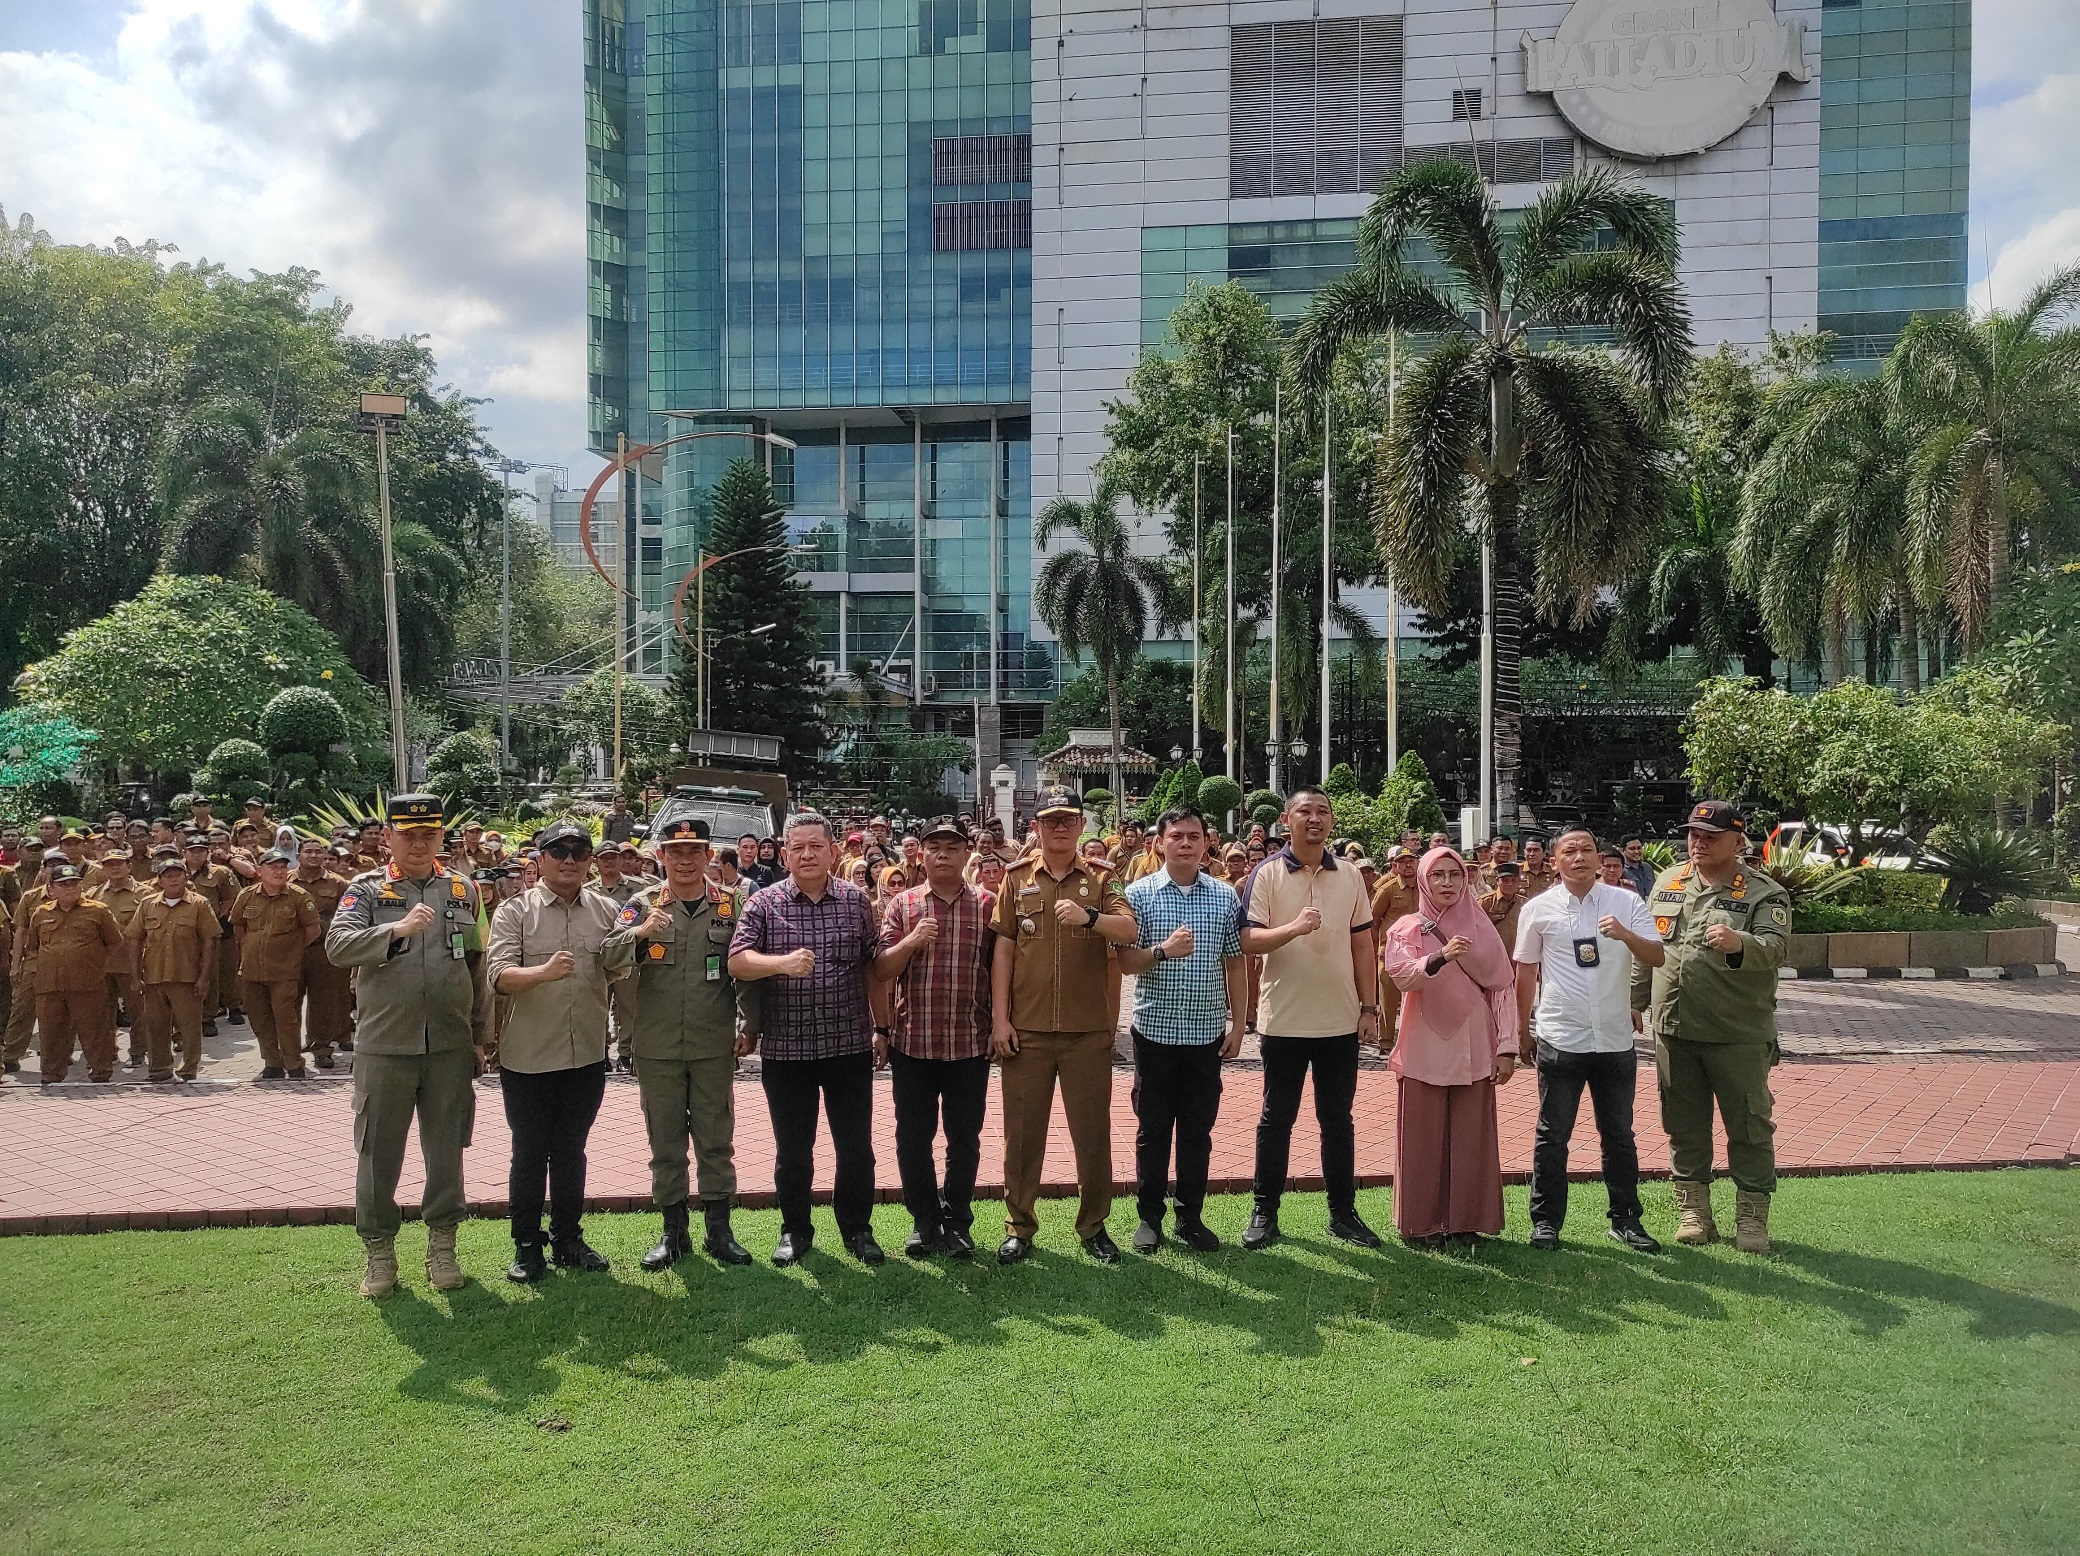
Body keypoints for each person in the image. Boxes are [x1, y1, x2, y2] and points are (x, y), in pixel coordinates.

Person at [325, 794, 492, 1299]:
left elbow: (478, 967)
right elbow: (337, 947)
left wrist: (481, 1037)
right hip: (386, 1045)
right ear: (389, 838)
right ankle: (380, 1251)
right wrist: (395, 930)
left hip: (448, 1044)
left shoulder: (464, 890)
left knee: (446, 1151)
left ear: (441, 837)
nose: (419, 844)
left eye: (429, 835)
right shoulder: (367, 889)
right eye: (408, 835)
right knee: (378, 1152)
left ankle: (443, 1245)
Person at [729, 812, 885, 1266]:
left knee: (855, 1147)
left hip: (847, 1043)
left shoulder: (857, 901)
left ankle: (857, 1229)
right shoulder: (764, 902)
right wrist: (779, 964)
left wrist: (883, 1027)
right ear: (784, 853)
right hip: (787, 1047)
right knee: (793, 1150)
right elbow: (738, 961)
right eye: (797, 847)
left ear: (833, 851)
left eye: (816, 846)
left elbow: (873, 967)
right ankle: (795, 1229)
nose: (807, 854)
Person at [1637, 800, 1792, 1254]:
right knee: (1683, 1124)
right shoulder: (1669, 882)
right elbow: (1647, 948)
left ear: (1737, 841)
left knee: (1749, 1126)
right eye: (1693, 834)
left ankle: (1751, 1217)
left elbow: (1776, 948)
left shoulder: (1763, 893)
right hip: (1674, 1029)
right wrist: (1633, 1001)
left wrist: (1738, 941)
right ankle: (1694, 1212)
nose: (1698, 842)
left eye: (1710, 836)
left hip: (1736, 1033)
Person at [990, 785, 1137, 1264]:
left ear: (1081, 826)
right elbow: (1004, 950)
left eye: (1067, 819)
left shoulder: (1101, 878)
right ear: (1035, 826)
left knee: (1092, 1135)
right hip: (1027, 1030)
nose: (1058, 827)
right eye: (1049, 819)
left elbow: (1129, 930)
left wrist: (1090, 916)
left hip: (1087, 1029)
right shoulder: (1015, 879)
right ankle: (1019, 1226)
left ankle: (1093, 1226)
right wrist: (999, 1020)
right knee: (1023, 1135)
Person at [603, 818, 754, 1270]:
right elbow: (607, 956)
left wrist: (749, 1025)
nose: (685, 860)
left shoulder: (732, 905)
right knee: (665, 1140)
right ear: (661, 857)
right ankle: (673, 1232)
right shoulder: (642, 903)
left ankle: (719, 1230)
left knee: (715, 1138)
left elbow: (744, 968)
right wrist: (640, 932)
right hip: (657, 1046)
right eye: (675, 852)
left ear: (708, 856)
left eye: (694, 851)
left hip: (713, 1044)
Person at [1238, 787, 1383, 1250]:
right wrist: (1294, 928)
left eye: (1322, 811)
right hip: (1284, 1019)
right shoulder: (1267, 873)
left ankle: (1343, 1213)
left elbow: (1364, 947)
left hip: (1340, 1021)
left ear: (1332, 821)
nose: (1314, 819)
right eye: (1305, 811)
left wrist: (1369, 1007)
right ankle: (1264, 1212)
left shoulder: (1352, 878)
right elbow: (1250, 941)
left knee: (1337, 1120)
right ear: (1287, 820)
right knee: (1276, 1119)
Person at [1512, 829, 1665, 1254]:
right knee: (1552, 1133)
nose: (1579, 857)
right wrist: (1521, 1030)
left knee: (1618, 1133)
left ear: (1600, 859)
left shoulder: (1626, 902)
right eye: (1569, 851)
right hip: (1562, 1036)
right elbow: (1525, 973)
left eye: (1587, 850)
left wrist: (1626, 936)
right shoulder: (1538, 909)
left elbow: (1656, 955)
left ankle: (1626, 1220)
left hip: (1615, 1039)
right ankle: (1545, 1222)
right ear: (1554, 861)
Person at [487, 820, 626, 1281]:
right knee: (528, 1152)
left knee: (571, 1151)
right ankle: (527, 1245)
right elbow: (499, 977)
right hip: (529, 1057)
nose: (570, 860)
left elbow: (620, 968)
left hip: (585, 1054)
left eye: (579, 852)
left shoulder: (606, 910)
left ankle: (568, 1237)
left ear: (590, 861)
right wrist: (543, 972)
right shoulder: (515, 912)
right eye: (559, 851)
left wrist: (640, 938)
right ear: (540, 859)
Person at [1115, 806, 1244, 1253]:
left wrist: (1239, 1023)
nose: (1186, 843)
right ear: (1160, 843)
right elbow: (1126, 961)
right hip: (1154, 1033)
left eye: (1194, 836)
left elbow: (1234, 961)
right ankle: (1149, 1218)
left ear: (1207, 842)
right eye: (1177, 836)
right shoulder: (1139, 894)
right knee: (1152, 1129)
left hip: (1207, 1034)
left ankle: (1191, 1217)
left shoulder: (1225, 896)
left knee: (1197, 1130)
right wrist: (1164, 952)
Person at [871, 816, 995, 1259]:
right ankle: (924, 1221)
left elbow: (1001, 973)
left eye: (952, 846)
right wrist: (910, 943)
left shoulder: (987, 905)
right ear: (921, 854)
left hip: (969, 1041)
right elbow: (881, 970)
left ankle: (958, 1220)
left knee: (965, 1137)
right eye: (934, 847)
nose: (943, 854)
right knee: (913, 1137)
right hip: (913, 1041)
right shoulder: (902, 906)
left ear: (967, 854)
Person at [1381, 847, 1517, 1250]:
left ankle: (1467, 1222)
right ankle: (1420, 1224)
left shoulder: (1481, 925)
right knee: (1422, 1135)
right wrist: (1439, 956)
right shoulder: (1407, 927)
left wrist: (1507, 1046)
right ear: (1423, 879)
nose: (1446, 883)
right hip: (1424, 1043)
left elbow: (1502, 988)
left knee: (1471, 1136)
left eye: (1454, 875)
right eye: (1437, 875)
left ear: (1466, 879)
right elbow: (1402, 975)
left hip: (1476, 1043)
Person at [23, 864, 125, 1083]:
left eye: (74, 884)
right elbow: (33, 946)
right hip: (49, 984)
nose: (70, 889)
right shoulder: (41, 913)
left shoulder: (98, 910)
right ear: (50, 889)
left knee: (95, 1030)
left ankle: (100, 1072)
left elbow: (115, 942)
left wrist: (93, 961)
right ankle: (51, 1074)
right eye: (63, 885)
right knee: (51, 1032)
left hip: (87, 982)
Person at [230, 848, 323, 1080]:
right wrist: (253, 947)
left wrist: (291, 950)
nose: (279, 872)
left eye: (282, 867)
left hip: (284, 970)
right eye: (273, 867)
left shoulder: (298, 897)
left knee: (286, 1018)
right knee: (260, 1018)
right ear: (260, 871)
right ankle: (272, 1062)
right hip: (252, 969)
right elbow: (239, 927)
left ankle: (294, 1063)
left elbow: (313, 930)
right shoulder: (247, 895)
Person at [129, 852, 218, 1083]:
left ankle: (188, 1069)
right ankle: (159, 1070)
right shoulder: (148, 904)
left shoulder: (199, 904)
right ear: (159, 880)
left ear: (186, 877)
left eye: (177, 875)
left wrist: (204, 977)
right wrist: (135, 975)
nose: (173, 880)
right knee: (156, 1027)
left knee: (189, 1028)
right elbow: (135, 939)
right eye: (167, 876)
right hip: (154, 977)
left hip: (187, 976)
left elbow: (210, 941)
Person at [293, 838, 353, 1069]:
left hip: (324, 950)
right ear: (298, 855)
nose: (314, 856)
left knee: (323, 1000)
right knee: (290, 999)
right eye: (308, 851)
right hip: (293, 950)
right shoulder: (287, 881)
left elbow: (349, 916)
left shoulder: (338, 884)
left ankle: (322, 1048)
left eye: (318, 852)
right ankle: (290, 1048)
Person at [1477, 861, 1526, 966]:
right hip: (1492, 957)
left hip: (1516, 958)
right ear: (1497, 881)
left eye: (1513, 880)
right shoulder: (1486, 902)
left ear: (1519, 881)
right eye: (1505, 880)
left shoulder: (1524, 904)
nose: (1510, 884)